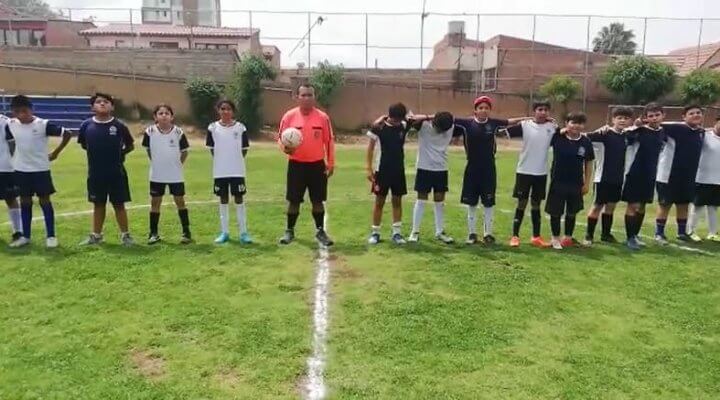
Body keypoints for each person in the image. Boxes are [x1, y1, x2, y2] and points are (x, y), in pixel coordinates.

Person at [453, 96, 529, 245]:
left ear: (490, 110)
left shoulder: (493, 124)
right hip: (472, 168)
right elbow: (448, 119)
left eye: (486, 108)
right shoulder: (467, 124)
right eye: (480, 108)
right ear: (475, 110)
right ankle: (472, 234)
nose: (484, 110)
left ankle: (488, 234)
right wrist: (427, 117)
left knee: (488, 203)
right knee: (472, 203)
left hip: (489, 168)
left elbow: (511, 121)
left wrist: (530, 118)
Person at [5, 95, 71, 248]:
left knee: (44, 201)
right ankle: (26, 236)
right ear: (13, 112)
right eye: (17, 112)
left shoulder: (43, 125)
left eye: (24, 111)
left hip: (40, 169)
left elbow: (67, 133)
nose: (21, 115)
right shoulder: (11, 124)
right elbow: (9, 140)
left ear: (31, 109)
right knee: (25, 201)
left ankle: (51, 236)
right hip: (21, 170)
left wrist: (56, 153)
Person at [278, 84, 336, 247]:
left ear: (314, 97)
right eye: (303, 95)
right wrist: (285, 149)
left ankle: (320, 231)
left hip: (317, 166)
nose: (307, 98)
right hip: (296, 165)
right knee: (293, 200)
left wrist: (331, 162)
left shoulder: (323, 118)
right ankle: (289, 231)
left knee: (318, 200)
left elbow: (329, 141)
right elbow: (280, 138)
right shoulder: (289, 116)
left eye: (310, 95)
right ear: (297, 97)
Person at [77, 93, 135, 246]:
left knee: (119, 204)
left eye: (106, 102)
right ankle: (96, 236)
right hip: (95, 173)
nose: (102, 104)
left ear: (112, 106)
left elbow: (130, 145)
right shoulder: (86, 125)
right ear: (92, 107)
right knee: (98, 204)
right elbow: (84, 144)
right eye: (98, 102)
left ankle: (126, 236)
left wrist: (120, 155)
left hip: (116, 173)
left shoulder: (119, 126)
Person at [505, 100, 557, 247]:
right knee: (521, 203)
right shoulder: (525, 125)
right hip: (524, 171)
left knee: (536, 204)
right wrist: (524, 118)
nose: (543, 112)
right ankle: (515, 236)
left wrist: (557, 124)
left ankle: (536, 236)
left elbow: (564, 135)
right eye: (540, 109)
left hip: (541, 172)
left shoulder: (552, 127)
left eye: (546, 110)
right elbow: (504, 130)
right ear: (534, 111)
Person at [654, 104, 705, 244]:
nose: (696, 115)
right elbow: (658, 123)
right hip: (668, 174)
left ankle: (681, 233)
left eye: (698, 112)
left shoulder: (701, 132)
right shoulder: (677, 128)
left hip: (688, 176)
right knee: (665, 204)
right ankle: (659, 233)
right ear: (684, 117)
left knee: (683, 204)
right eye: (691, 113)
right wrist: (640, 122)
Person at [142, 104, 192, 245]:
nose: (164, 115)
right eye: (160, 113)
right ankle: (153, 233)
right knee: (155, 202)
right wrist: (156, 163)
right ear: (155, 116)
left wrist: (177, 165)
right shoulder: (150, 132)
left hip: (175, 175)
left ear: (171, 116)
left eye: (167, 113)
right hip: (157, 174)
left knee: (180, 201)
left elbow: (185, 152)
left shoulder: (178, 132)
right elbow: (148, 150)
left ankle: (186, 232)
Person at [407, 111, 460, 244]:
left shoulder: (451, 127)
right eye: (439, 128)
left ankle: (439, 232)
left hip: (441, 169)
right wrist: (429, 116)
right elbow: (410, 118)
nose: (441, 131)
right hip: (424, 168)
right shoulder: (424, 126)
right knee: (421, 200)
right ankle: (415, 231)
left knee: (439, 202)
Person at [545, 112, 595, 250]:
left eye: (580, 123)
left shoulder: (585, 142)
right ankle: (555, 238)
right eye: (573, 122)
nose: (576, 126)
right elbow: (548, 129)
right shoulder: (558, 137)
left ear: (583, 125)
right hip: (558, 180)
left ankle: (567, 237)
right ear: (567, 123)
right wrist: (558, 128)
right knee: (556, 211)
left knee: (572, 211)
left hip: (576, 182)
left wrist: (586, 183)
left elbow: (589, 163)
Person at [584, 106, 633, 246]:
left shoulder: (627, 136)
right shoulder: (604, 134)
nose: (622, 121)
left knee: (611, 206)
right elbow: (584, 137)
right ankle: (589, 235)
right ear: (613, 119)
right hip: (602, 178)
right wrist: (597, 130)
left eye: (625, 118)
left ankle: (606, 234)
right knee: (597, 206)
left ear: (630, 121)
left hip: (618, 178)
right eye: (619, 118)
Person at [621, 103, 667, 250]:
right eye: (651, 116)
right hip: (635, 173)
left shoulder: (662, 132)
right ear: (645, 118)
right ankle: (629, 238)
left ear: (663, 116)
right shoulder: (639, 131)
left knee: (642, 206)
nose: (654, 118)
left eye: (657, 115)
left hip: (650, 174)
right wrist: (635, 126)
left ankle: (635, 235)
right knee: (633, 205)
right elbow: (625, 135)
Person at [206, 99, 252, 244]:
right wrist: (222, 161)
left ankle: (243, 232)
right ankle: (224, 232)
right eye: (223, 109)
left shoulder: (240, 128)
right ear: (218, 110)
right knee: (223, 199)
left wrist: (234, 161)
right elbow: (212, 149)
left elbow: (244, 150)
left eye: (228, 109)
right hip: (220, 171)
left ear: (233, 111)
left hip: (237, 171)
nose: (225, 111)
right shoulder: (212, 128)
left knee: (239, 199)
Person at [366, 103, 410, 245]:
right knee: (379, 201)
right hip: (382, 171)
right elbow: (370, 149)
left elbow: (416, 118)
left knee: (397, 201)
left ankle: (397, 233)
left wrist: (430, 116)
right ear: (391, 117)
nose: (398, 122)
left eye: (401, 119)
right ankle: (375, 233)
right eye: (396, 120)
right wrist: (368, 168)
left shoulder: (404, 125)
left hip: (398, 170)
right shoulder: (378, 127)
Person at [687, 117, 720, 242]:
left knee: (713, 207)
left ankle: (712, 233)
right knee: (698, 206)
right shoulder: (705, 135)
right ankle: (690, 231)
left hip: (718, 179)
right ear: (716, 122)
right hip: (702, 178)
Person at [0, 114, 22, 244]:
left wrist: (13, 160)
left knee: (11, 198)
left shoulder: (5, 122)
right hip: (6, 167)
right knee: (11, 198)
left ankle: (17, 231)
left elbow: (12, 143)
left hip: (5, 167)